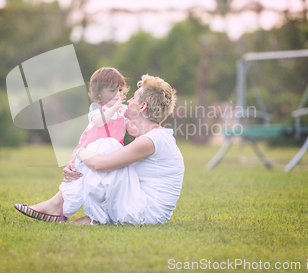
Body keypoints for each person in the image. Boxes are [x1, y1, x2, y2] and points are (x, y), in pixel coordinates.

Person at [15, 74, 184, 225]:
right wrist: (75, 165)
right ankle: (67, 208)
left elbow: (101, 164)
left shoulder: (151, 140)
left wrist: (79, 153)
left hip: (146, 212)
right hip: (142, 206)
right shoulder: (151, 137)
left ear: (142, 107)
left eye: (133, 98)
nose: (127, 99)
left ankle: (57, 204)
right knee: (105, 149)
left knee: (107, 145)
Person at [15, 67, 137, 221]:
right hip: (88, 153)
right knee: (76, 180)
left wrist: (137, 118)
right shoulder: (97, 108)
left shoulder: (122, 110)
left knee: (92, 184)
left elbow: (132, 130)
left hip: (109, 154)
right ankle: (57, 208)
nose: (118, 94)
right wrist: (114, 108)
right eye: (112, 90)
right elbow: (99, 121)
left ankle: (59, 210)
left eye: (120, 90)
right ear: (99, 93)